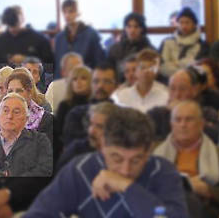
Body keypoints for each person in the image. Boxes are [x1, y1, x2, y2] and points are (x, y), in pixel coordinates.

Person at [24, 107, 189, 218]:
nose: (125, 170)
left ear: (149, 151)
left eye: (136, 160)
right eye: (116, 158)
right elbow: (38, 214)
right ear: (103, 146)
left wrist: (126, 186)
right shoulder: (80, 169)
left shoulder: (163, 171)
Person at [154, 101, 219, 218]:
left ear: (201, 124)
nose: (183, 125)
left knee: (188, 200)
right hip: (163, 206)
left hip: (203, 209)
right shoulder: (155, 151)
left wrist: (208, 190)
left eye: (189, 120)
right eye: (178, 120)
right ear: (171, 125)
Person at [0, 92, 52, 177]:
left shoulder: (40, 142)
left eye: (16, 112)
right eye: (5, 111)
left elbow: (44, 172)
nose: (10, 116)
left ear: (26, 119)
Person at [62, 62, 118, 146]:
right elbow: (70, 146)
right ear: (91, 84)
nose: (100, 86)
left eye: (107, 81)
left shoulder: (122, 115)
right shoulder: (76, 114)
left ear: (116, 86)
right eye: (96, 81)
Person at [55, 101, 119, 172]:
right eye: (91, 124)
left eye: (99, 126)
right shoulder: (75, 151)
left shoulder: (122, 155)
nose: (91, 131)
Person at [54, 0, 105, 78]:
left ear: (78, 13)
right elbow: (57, 66)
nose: (67, 15)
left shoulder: (91, 35)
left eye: (71, 11)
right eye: (64, 12)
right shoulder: (59, 38)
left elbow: (99, 62)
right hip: (63, 82)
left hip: (86, 81)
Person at [0, 6, 54, 70]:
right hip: (7, 78)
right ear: (6, 23)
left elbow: (50, 67)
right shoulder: (0, 41)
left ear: (23, 19)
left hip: (35, 78)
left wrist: (28, 60)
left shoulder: (39, 39)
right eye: (10, 25)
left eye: (15, 24)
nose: (13, 29)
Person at [112, 48, 169, 113]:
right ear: (136, 70)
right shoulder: (121, 96)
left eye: (151, 68)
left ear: (157, 72)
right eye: (142, 67)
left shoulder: (166, 96)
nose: (146, 71)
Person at [159, 7, 209, 77]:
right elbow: (162, 66)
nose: (184, 26)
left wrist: (175, 63)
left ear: (194, 24)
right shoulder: (166, 42)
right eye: (181, 22)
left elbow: (196, 68)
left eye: (187, 22)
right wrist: (182, 67)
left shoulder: (202, 45)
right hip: (167, 80)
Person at [107, 12, 154, 79]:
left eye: (136, 27)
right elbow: (109, 71)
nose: (132, 30)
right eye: (129, 26)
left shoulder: (149, 50)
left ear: (142, 29)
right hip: (119, 85)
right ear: (125, 28)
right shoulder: (114, 49)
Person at [55, 65, 91, 139]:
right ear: (70, 83)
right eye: (75, 79)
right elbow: (58, 133)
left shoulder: (95, 104)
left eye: (83, 78)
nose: (78, 82)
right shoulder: (64, 105)